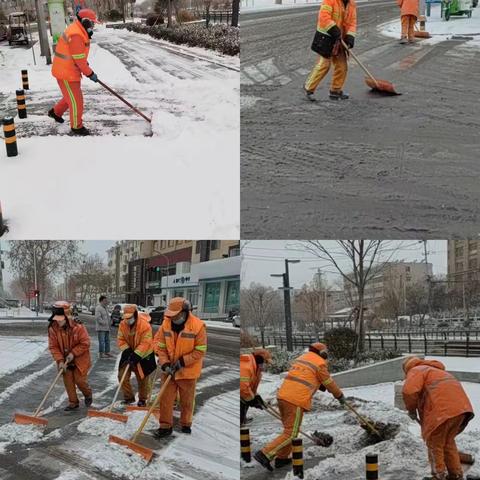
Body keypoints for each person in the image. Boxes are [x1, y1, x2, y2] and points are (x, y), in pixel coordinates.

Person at [254, 342, 345, 471]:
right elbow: (329, 382)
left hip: (283, 396)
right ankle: (264, 454)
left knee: (289, 431)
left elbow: (304, 377)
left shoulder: (303, 359)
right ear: (323, 353)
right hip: (295, 400)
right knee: (291, 433)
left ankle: (282, 458)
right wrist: (339, 395)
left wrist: (319, 384)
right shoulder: (320, 363)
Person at [402, 357, 475, 480]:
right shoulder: (436, 371)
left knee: (434, 443)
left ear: (406, 368)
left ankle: (438, 475)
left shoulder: (416, 370)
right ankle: (455, 474)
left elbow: (409, 391)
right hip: (461, 409)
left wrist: (411, 410)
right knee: (448, 442)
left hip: (442, 412)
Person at [153, 297, 207, 438]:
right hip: (169, 370)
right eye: (171, 314)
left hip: (187, 371)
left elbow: (200, 350)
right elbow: (160, 345)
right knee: (165, 400)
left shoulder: (198, 326)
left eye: (175, 314)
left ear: (184, 312)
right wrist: (164, 363)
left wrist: (182, 362)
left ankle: (186, 423)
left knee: (187, 401)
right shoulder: (166, 323)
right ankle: (165, 426)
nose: (172, 317)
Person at [48, 9, 101, 136]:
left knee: (70, 96)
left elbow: (78, 56)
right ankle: (77, 127)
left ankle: (55, 112)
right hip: (66, 73)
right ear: (86, 22)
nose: (93, 26)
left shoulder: (78, 29)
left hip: (68, 70)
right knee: (76, 101)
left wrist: (83, 63)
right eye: (92, 23)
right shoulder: (76, 34)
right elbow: (79, 61)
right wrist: (90, 73)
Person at [304, 0, 357, 101]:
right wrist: (335, 30)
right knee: (324, 65)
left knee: (342, 66)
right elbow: (324, 17)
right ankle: (308, 88)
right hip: (326, 37)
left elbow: (352, 23)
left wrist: (350, 37)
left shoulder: (351, 4)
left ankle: (335, 91)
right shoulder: (330, 0)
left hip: (340, 40)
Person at [48, 300, 92, 411]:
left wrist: (73, 353)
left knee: (79, 380)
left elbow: (85, 343)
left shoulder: (78, 327)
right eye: (56, 319)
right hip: (64, 359)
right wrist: (60, 360)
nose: (58, 322)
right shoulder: (53, 328)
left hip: (80, 359)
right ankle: (73, 402)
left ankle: (88, 394)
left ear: (67, 317)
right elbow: (54, 347)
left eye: (60, 319)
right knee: (68, 381)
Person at [117, 304, 157, 406]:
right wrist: (127, 350)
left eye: (130, 318)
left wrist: (136, 355)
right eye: (126, 318)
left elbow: (146, 342)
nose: (127, 320)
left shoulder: (145, 325)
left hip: (144, 355)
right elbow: (120, 339)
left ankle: (142, 399)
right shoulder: (122, 324)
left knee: (142, 378)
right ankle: (129, 397)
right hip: (129, 352)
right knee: (122, 376)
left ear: (135, 315)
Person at [240, 349, 272, 425]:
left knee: (247, 398)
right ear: (260, 359)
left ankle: (242, 418)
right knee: (244, 399)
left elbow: (251, 387)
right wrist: (252, 400)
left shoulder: (256, 368)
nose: (266, 365)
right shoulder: (247, 367)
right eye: (266, 362)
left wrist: (256, 397)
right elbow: (243, 388)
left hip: (242, 391)